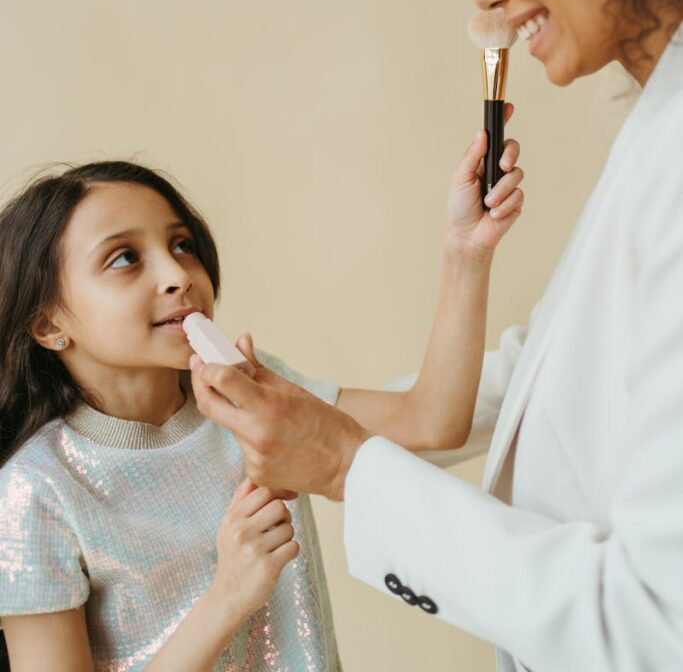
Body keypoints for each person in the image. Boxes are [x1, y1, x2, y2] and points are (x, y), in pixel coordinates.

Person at [186, 0, 683, 669]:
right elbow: (535, 386)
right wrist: (456, 269)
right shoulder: (650, 127)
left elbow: (652, 625)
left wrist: (342, 463)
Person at [0, 151, 522, 671]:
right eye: (124, 258)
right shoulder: (35, 491)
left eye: (182, 245)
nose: (178, 274)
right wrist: (228, 597)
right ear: (49, 325)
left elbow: (434, 420)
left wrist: (466, 253)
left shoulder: (253, 393)